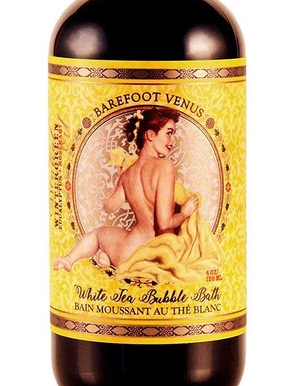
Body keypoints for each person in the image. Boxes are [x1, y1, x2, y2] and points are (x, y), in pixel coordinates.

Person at [53, 107, 199, 271]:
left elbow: (109, 206)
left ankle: (70, 259)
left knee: (98, 233)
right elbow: (164, 223)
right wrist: (184, 213)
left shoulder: (128, 174)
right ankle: (104, 258)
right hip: (153, 254)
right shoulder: (164, 166)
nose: (172, 141)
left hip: (126, 251)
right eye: (169, 133)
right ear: (150, 135)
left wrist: (120, 178)